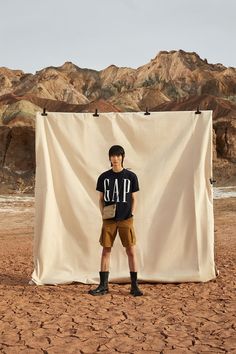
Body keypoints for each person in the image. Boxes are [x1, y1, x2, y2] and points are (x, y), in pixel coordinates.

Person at [89, 145, 143, 297]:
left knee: (131, 250)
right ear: (109, 158)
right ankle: (103, 285)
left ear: (122, 157)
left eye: (118, 156)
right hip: (109, 220)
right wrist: (103, 214)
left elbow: (134, 198)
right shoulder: (104, 177)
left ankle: (134, 286)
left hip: (126, 219)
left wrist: (131, 214)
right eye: (113, 156)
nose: (115, 159)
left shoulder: (131, 177)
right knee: (106, 250)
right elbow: (100, 199)